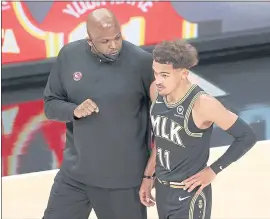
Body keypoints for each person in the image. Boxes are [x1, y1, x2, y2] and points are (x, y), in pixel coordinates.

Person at [42, 8, 154, 219]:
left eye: (117, 37)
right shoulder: (69, 56)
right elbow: (51, 104)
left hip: (123, 182)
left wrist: (150, 174)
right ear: (89, 39)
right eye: (104, 41)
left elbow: (162, 122)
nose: (113, 45)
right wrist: (73, 110)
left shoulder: (142, 63)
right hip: (75, 176)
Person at [139, 39, 257, 219]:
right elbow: (161, 140)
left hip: (189, 194)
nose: (158, 80)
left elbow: (247, 136)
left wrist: (214, 170)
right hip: (162, 190)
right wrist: (148, 177)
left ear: (184, 73)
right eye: (156, 73)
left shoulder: (203, 104)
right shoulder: (157, 91)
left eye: (165, 75)